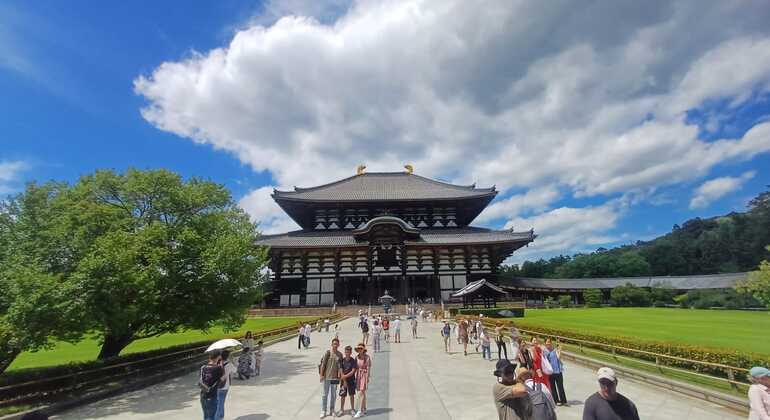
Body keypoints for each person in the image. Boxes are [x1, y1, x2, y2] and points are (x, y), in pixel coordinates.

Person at [319, 338, 344, 419]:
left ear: (338, 345)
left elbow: (340, 366)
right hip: (326, 377)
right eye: (334, 344)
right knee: (324, 394)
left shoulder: (340, 355)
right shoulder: (328, 353)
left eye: (337, 344)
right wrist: (321, 375)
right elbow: (323, 364)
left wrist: (340, 376)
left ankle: (332, 409)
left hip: (335, 378)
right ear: (332, 344)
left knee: (333, 395)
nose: (335, 345)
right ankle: (323, 410)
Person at [199, 351, 224, 420]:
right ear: (218, 357)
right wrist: (221, 365)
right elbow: (222, 378)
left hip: (203, 394)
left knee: (206, 415)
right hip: (212, 395)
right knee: (211, 416)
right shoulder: (218, 368)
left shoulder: (203, 367)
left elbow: (201, 380)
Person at [545, 339, 567, 406]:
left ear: (551, 343)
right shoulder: (545, 352)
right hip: (551, 372)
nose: (548, 343)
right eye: (547, 342)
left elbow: (559, 357)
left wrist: (559, 350)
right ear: (545, 343)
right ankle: (556, 400)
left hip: (558, 371)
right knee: (553, 387)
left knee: (560, 386)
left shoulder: (555, 350)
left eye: (550, 342)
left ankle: (563, 400)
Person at [216, 350, 237, 420]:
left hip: (217, 385)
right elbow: (235, 370)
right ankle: (219, 417)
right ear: (228, 356)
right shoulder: (229, 364)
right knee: (221, 402)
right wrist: (233, 361)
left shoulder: (217, 363)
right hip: (225, 386)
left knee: (218, 401)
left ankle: (219, 416)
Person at [338, 345, 358, 417]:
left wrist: (344, 376)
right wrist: (343, 379)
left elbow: (353, 371)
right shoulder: (342, 360)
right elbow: (340, 369)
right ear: (345, 352)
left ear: (351, 352)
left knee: (351, 395)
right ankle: (341, 409)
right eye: (346, 352)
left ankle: (352, 409)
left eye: (349, 352)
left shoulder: (353, 361)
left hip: (351, 380)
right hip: (343, 381)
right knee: (342, 395)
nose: (347, 353)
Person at [354, 343, 372, 418]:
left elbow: (368, 368)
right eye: (358, 349)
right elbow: (355, 367)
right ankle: (364, 408)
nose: (360, 350)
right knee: (362, 392)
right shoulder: (356, 357)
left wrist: (367, 378)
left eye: (361, 349)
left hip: (364, 375)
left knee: (361, 392)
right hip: (358, 375)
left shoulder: (367, 357)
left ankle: (359, 410)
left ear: (363, 350)